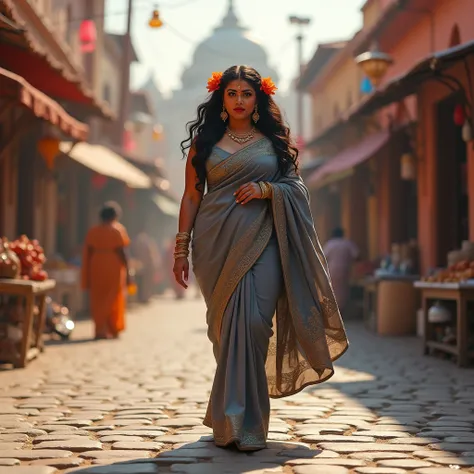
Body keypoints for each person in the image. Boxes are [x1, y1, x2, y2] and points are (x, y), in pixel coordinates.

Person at [173, 65, 348, 451]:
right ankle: (230, 419)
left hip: (266, 238)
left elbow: (296, 188)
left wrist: (269, 189)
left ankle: (247, 422)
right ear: (221, 98)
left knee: (254, 324)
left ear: (258, 100)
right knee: (225, 333)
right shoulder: (204, 144)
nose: (238, 100)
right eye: (232, 93)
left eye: (246, 94)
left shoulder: (273, 144)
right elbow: (191, 196)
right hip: (214, 242)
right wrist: (181, 248)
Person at [81, 201, 130, 340]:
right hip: (113, 266)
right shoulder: (118, 230)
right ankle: (112, 328)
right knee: (113, 297)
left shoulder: (93, 231)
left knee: (98, 298)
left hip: (96, 265)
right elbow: (122, 251)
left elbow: (88, 252)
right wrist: (128, 270)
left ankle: (100, 329)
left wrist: (87, 273)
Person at [323, 227, 359, 312]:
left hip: (331, 270)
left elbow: (323, 257)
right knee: (343, 292)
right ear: (342, 234)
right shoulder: (347, 243)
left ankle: (333, 312)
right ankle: (341, 312)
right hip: (344, 270)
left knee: (332, 291)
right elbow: (357, 256)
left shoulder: (330, 244)